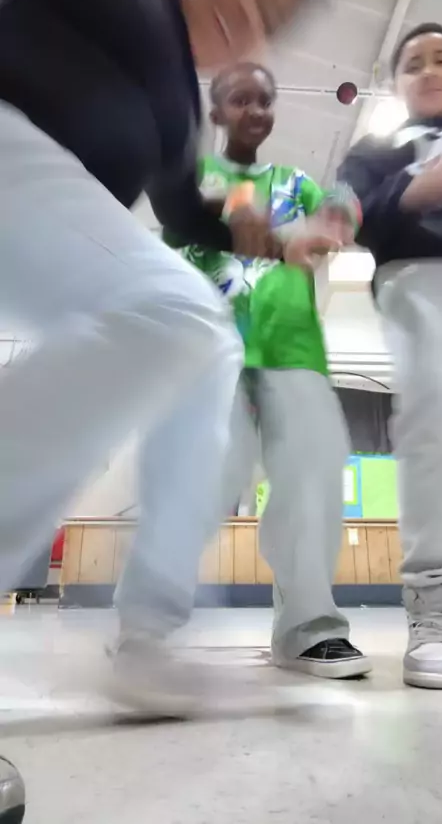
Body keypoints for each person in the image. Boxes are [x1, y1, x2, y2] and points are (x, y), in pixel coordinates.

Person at [0, 0, 345, 716]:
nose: (243, 12)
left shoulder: (182, 111)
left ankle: (148, 633)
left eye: (267, 16)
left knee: (207, 346)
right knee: (179, 315)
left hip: (39, 197)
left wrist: (276, 235)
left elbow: (187, 211)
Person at [164, 62, 371, 679]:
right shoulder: (194, 183)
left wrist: (339, 211)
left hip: (293, 350)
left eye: (265, 100)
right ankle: (144, 624)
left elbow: (335, 212)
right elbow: (176, 237)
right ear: (216, 112)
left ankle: (309, 629)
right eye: (240, 99)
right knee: (194, 484)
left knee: (313, 478)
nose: (255, 110)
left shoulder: (295, 182)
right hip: (211, 351)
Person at [338, 22, 442, 690]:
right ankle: (434, 614)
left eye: (441, 59)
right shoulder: (377, 149)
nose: (428, 70)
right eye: (413, 63)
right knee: (435, 432)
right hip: (420, 281)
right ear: (395, 82)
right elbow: (348, 212)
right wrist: (404, 194)